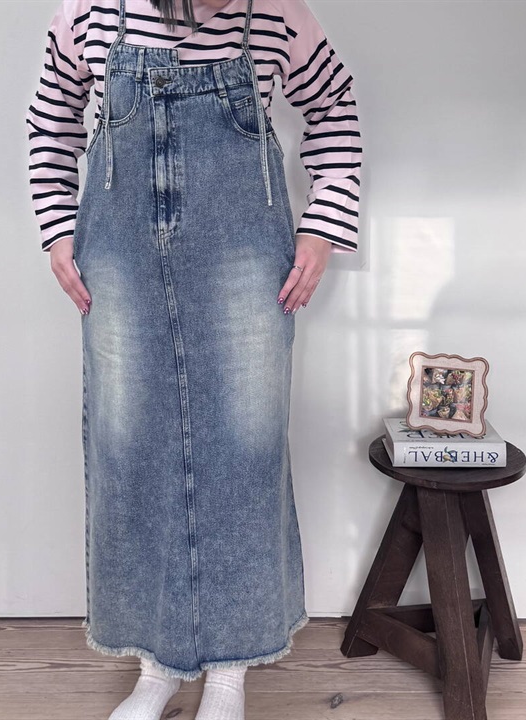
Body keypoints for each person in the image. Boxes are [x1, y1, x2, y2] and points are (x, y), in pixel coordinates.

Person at [25, 1, 361, 717]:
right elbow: (51, 122)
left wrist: (323, 226)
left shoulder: (277, 14)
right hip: (118, 259)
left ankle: (229, 672)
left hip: (246, 255)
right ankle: (157, 665)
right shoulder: (88, 11)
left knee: (244, 450)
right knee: (131, 450)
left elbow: (333, 108)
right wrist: (55, 230)